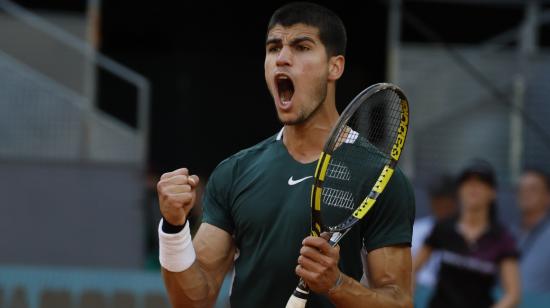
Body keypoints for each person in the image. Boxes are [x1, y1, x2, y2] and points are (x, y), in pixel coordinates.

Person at [156, 3, 415, 307]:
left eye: (302, 47)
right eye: (273, 47)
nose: (282, 58)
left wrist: (337, 284)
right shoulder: (235, 172)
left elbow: (399, 300)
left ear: (335, 67)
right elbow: (191, 301)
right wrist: (173, 228)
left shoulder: (381, 178)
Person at [414, 159, 520, 308]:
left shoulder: (502, 239)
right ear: (459, 190)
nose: (473, 188)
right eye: (468, 182)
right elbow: (412, 270)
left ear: (492, 193)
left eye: (481, 183)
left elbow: (512, 294)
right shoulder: (443, 228)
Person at [411, 174, 456, 288]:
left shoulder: (466, 232)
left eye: (445, 199)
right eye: (437, 199)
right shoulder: (417, 230)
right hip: (420, 290)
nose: (441, 204)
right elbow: (411, 270)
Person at [516, 167, 550, 293]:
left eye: (533, 189)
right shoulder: (509, 234)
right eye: (521, 189)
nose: (525, 194)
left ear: (547, 197)